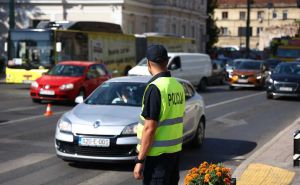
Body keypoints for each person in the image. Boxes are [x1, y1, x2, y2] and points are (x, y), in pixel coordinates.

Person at [133, 45, 185, 185]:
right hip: (174, 155)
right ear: (167, 62)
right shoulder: (177, 86)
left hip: (156, 159)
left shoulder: (155, 88)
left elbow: (149, 128)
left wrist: (140, 160)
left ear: (148, 64)